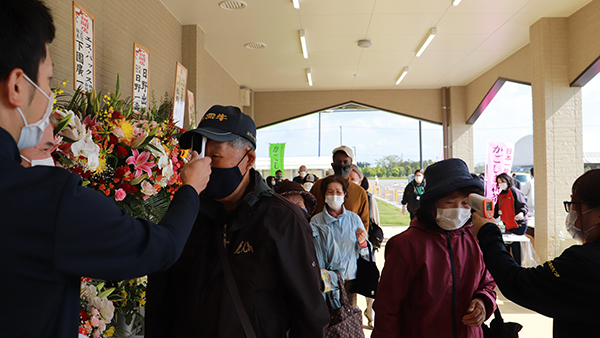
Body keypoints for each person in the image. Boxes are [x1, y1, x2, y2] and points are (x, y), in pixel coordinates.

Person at [0, 1, 212, 336]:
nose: (51, 102)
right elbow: (161, 247)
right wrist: (190, 189)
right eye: (49, 80)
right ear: (17, 86)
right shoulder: (49, 201)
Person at [146, 105, 329, 337]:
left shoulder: (283, 220)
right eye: (199, 155)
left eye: (215, 156)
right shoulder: (187, 212)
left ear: (249, 159)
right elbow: (162, 292)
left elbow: (309, 311)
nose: (204, 166)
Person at [373, 158, 496, 338]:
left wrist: (483, 301)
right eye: (450, 202)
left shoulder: (476, 240)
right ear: (432, 204)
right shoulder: (405, 245)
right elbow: (387, 306)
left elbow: (488, 282)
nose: (458, 209)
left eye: (465, 204)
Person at [472, 169, 600, 337]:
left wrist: (488, 232)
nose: (572, 211)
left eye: (574, 204)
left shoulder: (583, 262)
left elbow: (517, 282)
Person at [276, 180, 345, 310]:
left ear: (306, 208)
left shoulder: (323, 234)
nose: (294, 208)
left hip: (320, 311)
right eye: (287, 204)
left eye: (298, 203)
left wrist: (314, 277)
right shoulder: (271, 238)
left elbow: (339, 273)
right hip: (283, 313)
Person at [311, 175, 371, 308]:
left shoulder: (354, 219)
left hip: (349, 280)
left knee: (349, 321)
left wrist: (362, 243)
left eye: (338, 192)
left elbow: (366, 251)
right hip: (326, 280)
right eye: (330, 192)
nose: (334, 195)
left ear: (344, 194)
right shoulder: (316, 221)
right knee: (328, 321)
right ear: (324, 195)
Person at [310, 145, 370, 231]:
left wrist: (361, 241)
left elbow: (364, 222)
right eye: (338, 162)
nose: (342, 165)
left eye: (345, 162)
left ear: (352, 166)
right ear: (333, 165)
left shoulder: (359, 192)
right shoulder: (318, 186)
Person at [349, 164, 380, 329]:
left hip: (364, 247)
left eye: (353, 179)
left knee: (368, 281)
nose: (350, 182)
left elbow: (375, 222)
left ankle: (370, 311)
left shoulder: (368, 198)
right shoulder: (340, 196)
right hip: (347, 250)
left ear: (360, 180)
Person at [495, 172, 528, 265]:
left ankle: (518, 266)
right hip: (507, 225)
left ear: (508, 181)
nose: (501, 184)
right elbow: (496, 211)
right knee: (506, 247)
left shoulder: (515, 192)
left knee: (516, 247)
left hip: (518, 225)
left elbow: (523, 206)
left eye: (502, 181)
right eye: (499, 182)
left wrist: (521, 214)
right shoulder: (500, 195)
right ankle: (509, 266)